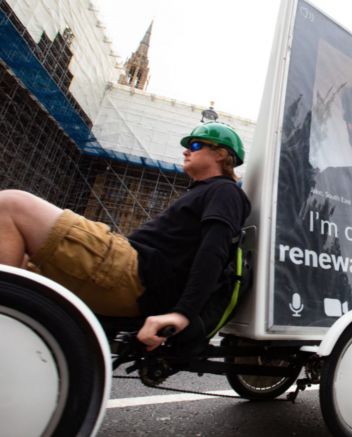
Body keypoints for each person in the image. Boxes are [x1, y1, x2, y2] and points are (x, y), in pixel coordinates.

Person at [0, 121, 250, 351]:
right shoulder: (201, 191)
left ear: (221, 155)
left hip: (136, 272)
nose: (186, 150)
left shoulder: (225, 191)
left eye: (196, 145)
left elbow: (213, 251)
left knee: (11, 205)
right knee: (20, 264)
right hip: (130, 268)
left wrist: (182, 313)